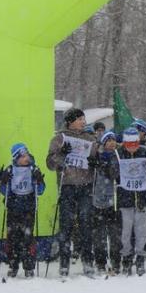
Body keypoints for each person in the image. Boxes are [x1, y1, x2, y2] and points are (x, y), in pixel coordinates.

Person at [47, 108, 97, 277]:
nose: (83, 122)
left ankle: (88, 262)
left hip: (85, 185)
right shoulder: (59, 138)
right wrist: (61, 153)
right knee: (66, 225)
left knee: (86, 224)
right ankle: (64, 263)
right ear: (70, 121)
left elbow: (98, 160)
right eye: (79, 119)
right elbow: (50, 163)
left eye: (84, 119)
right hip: (67, 185)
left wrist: (95, 161)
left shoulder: (90, 138)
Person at [110, 128, 146, 276]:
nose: (132, 146)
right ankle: (126, 258)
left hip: (141, 198)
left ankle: (140, 258)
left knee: (141, 231)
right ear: (124, 143)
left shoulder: (145, 153)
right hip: (125, 198)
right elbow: (112, 172)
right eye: (129, 143)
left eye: (135, 143)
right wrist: (118, 171)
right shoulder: (118, 154)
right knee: (125, 231)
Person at [0, 143, 46, 278]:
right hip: (13, 208)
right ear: (16, 158)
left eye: (27, 155)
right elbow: (3, 191)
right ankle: (13, 265)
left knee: (28, 238)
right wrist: (4, 181)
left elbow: (41, 190)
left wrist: (39, 179)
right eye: (23, 156)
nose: (26, 158)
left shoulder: (33, 169)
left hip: (28, 208)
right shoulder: (10, 170)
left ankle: (29, 266)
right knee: (13, 237)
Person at [90, 131, 120, 274]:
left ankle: (115, 261)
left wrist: (107, 166)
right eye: (109, 140)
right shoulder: (97, 156)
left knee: (114, 234)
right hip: (98, 199)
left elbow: (115, 174)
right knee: (99, 235)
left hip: (113, 200)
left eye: (114, 140)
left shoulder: (118, 156)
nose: (112, 143)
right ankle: (100, 262)